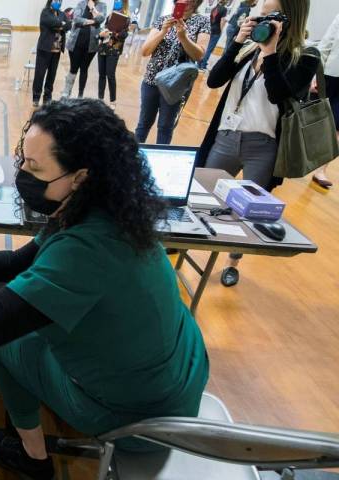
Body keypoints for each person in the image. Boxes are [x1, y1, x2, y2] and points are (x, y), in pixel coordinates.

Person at [0, 99, 210, 480]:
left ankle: (32, 456)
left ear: (81, 176)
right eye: (22, 159)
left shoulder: (86, 249)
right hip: (175, 379)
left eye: (34, 167)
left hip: (138, 420)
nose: (21, 172)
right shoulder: (101, 209)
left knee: (3, 342)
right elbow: (22, 260)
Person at [197, 0, 318, 287]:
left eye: (272, 16)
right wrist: (237, 42)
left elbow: (280, 95)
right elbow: (214, 81)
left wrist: (271, 53)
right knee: (201, 197)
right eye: (261, 15)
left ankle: (231, 261)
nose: (263, 21)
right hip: (226, 137)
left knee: (248, 211)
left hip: (263, 145)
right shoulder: (248, 48)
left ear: (291, 18)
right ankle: (186, 244)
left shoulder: (305, 56)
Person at [135, 0, 210, 144]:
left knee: (165, 127)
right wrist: (163, 31)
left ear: (195, 2)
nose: (185, 2)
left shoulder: (202, 22)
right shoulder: (163, 20)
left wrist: (183, 37)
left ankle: (162, 161)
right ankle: (133, 159)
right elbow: (145, 51)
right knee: (143, 124)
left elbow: (199, 55)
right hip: (152, 80)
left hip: (177, 85)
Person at [314, 13, 339, 188]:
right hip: (331, 74)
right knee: (311, 117)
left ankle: (321, 169)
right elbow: (327, 42)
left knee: (338, 127)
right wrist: (316, 73)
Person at [60, 0, 103, 99]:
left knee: (84, 69)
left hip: (91, 45)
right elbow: (76, 18)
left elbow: (101, 18)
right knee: (73, 68)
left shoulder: (102, 5)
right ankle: (67, 92)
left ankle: (80, 95)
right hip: (76, 43)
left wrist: (93, 8)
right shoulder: (81, 3)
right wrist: (92, 21)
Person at [33, 0, 71, 107]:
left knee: (52, 75)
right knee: (40, 74)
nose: (58, 2)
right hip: (45, 48)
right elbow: (53, 23)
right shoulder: (45, 12)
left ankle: (47, 97)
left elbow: (69, 25)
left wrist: (62, 25)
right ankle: (36, 97)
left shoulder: (62, 14)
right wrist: (61, 24)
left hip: (56, 49)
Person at [97, 0, 131, 109]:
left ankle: (113, 101)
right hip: (103, 47)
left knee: (110, 75)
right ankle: (100, 99)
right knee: (101, 74)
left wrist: (113, 33)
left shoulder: (126, 18)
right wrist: (102, 34)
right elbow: (105, 29)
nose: (117, 2)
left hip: (114, 49)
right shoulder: (110, 15)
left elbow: (124, 35)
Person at [198, 0, 229, 70]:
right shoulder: (224, 9)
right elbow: (222, 21)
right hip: (216, 31)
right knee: (209, 49)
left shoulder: (214, 8)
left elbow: (211, 19)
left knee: (206, 48)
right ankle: (202, 65)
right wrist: (221, 31)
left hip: (210, 29)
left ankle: (200, 63)